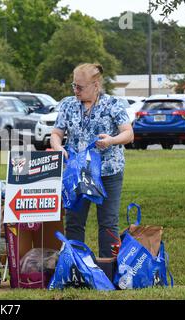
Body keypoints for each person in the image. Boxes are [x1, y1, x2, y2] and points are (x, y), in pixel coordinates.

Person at [50, 63, 134, 258]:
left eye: (80, 87)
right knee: (74, 221)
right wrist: (58, 147)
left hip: (108, 171)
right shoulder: (68, 104)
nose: (76, 91)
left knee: (108, 222)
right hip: (77, 173)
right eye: (74, 86)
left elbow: (128, 133)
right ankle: (77, 265)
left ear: (96, 85)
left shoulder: (113, 104)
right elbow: (56, 133)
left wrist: (112, 140)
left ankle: (107, 268)